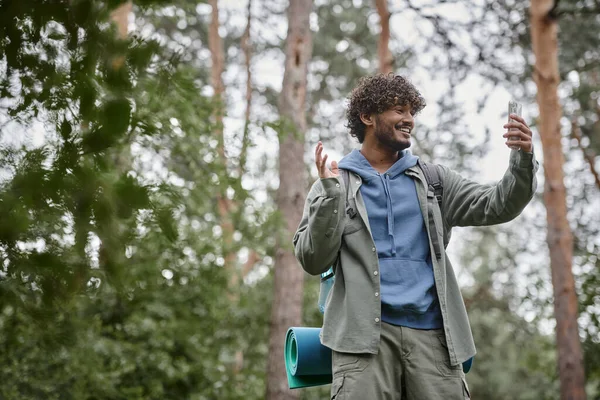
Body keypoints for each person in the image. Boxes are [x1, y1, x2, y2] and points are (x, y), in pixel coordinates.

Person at [293, 74, 539, 400]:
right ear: (367, 117)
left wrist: (522, 159)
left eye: (412, 112)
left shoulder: (433, 180)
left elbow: (499, 204)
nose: (409, 119)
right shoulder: (334, 183)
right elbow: (312, 259)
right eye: (398, 110)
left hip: (434, 340)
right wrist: (328, 195)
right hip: (363, 343)